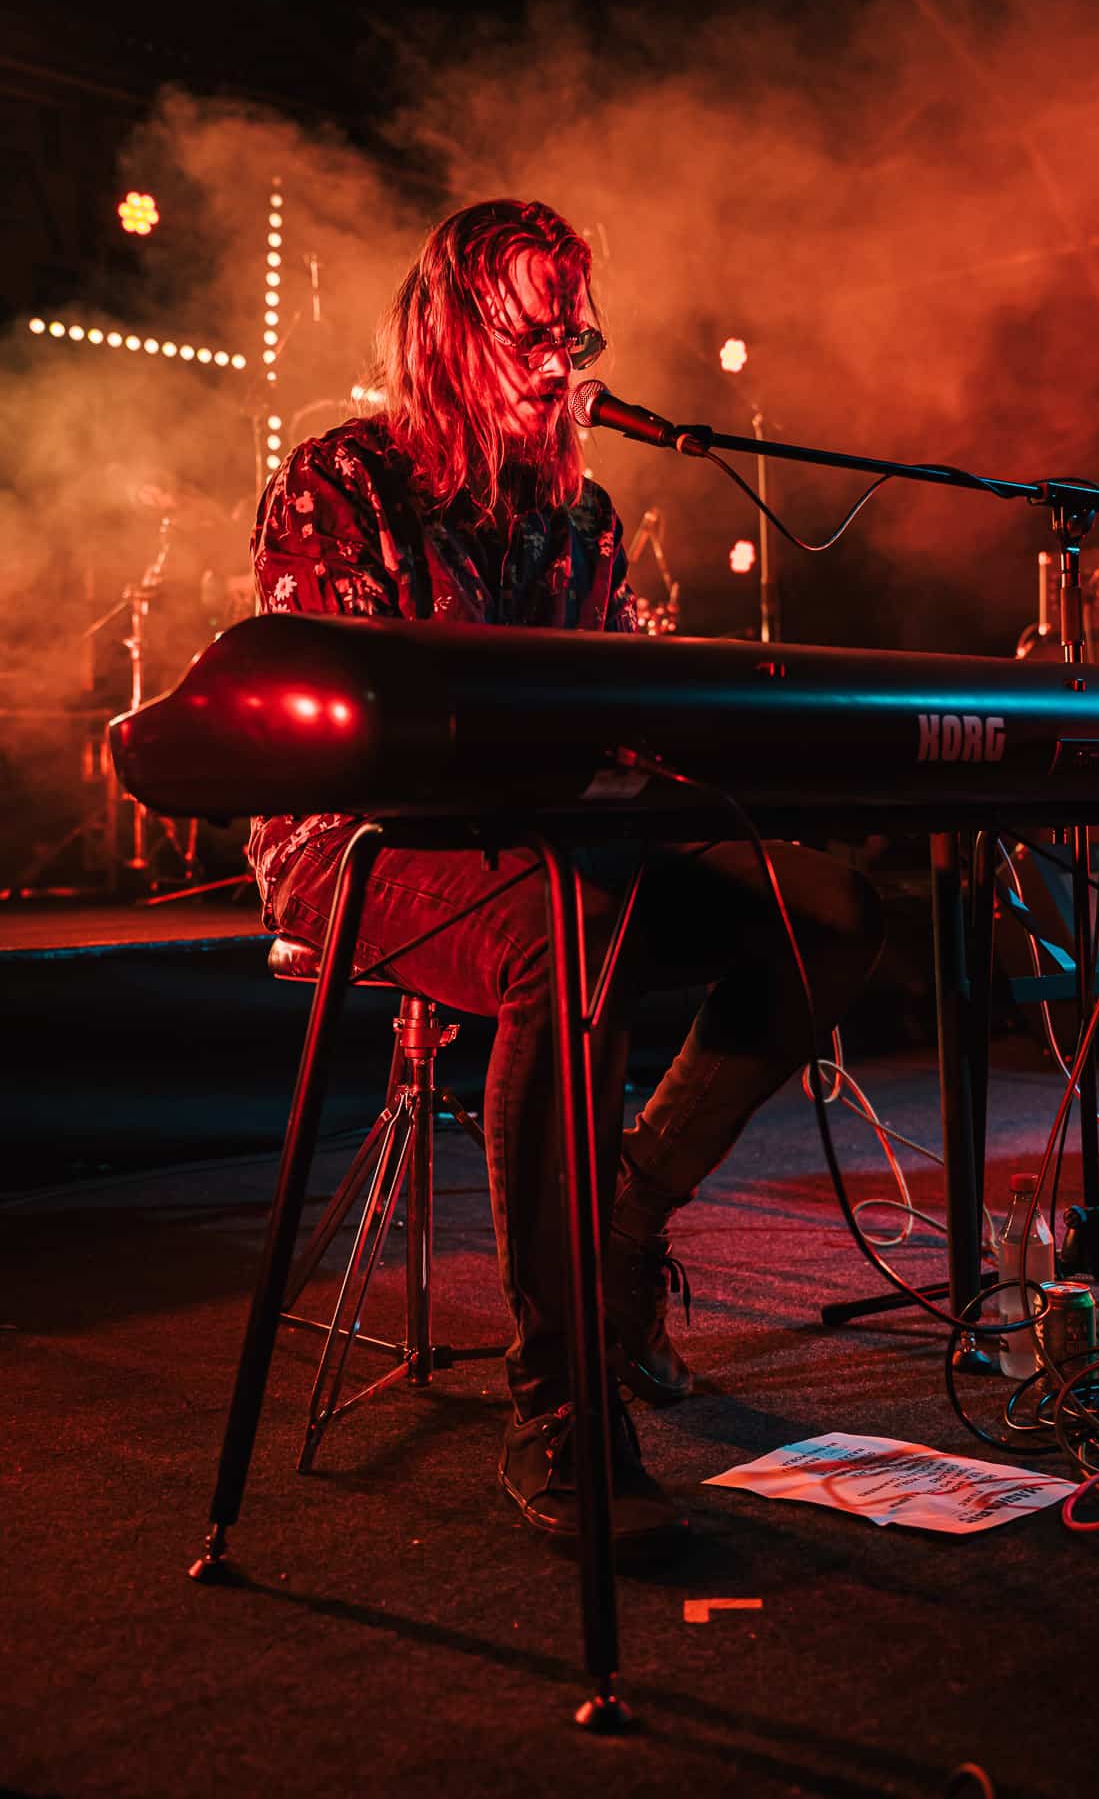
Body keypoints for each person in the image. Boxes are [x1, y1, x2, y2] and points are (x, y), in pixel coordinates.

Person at [248, 198, 883, 1552]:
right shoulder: (337, 481)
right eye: (529, 334)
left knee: (830, 910)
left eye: (574, 338)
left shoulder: (579, 514)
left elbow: (621, 695)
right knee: (565, 927)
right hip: (359, 849)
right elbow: (349, 735)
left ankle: (625, 1225)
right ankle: (558, 1399)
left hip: (555, 839)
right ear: (446, 332)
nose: (557, 363)